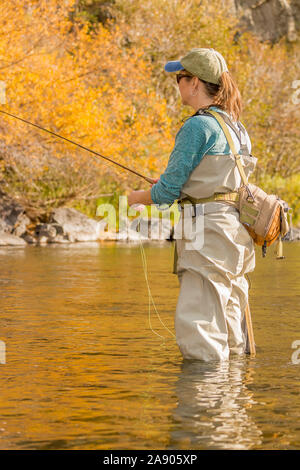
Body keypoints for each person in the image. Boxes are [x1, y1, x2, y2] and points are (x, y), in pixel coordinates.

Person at [128, 48, 257, 361]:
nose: (177, 84)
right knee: (229, 330)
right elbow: (216, 182)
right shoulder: (237, 128)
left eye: (179, 78)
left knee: (200, 329)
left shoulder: (197, 127)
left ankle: (205, 406)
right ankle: (231, 403)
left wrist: (138, 198)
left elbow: (166, 193)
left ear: (195, 82)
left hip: (206, 234)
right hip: (235, 235)